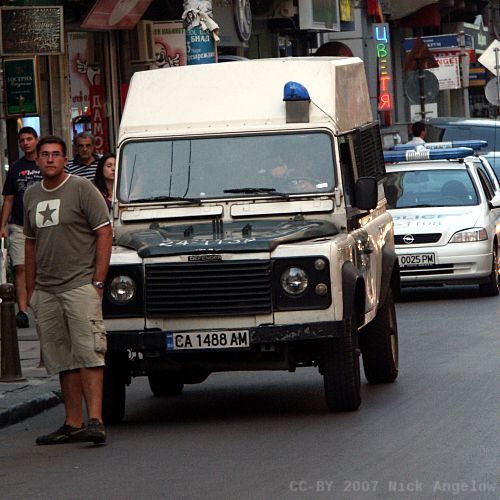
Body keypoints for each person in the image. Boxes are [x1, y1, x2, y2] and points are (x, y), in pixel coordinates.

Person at [24, 135, 112, 445]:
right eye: (44, 155)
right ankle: (73, 422)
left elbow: (104, 233)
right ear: (38, 161)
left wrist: (98, 282)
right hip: (47, 290)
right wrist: (30, 291)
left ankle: (96, 420)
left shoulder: (82, 188)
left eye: (56, 154)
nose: (49, 159)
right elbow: (30, 243)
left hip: (80, 285)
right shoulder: (31, 195)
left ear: (65, 160)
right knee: (62, 359)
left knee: (89, 353)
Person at [0, 127, 42, 328]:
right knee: (20, 267)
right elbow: (8, 199)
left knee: (42, 267)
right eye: (22, 140)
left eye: (29, 139)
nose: (26, 143)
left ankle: (41, 307)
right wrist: (3, 225)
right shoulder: (16, 168)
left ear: (36, 140)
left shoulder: (45, 163)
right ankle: (23, 311)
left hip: (44, 224)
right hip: (18, 224)